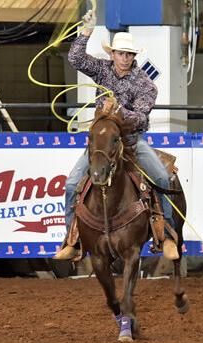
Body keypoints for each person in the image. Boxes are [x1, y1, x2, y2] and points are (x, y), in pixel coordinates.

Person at [54, 9, 178, 261]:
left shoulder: (145, 83)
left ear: (134, 56)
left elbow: (141, 117)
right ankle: (72, 240)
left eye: (129, 54)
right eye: (121, 53)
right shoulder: (102, 70)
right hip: (102, 144)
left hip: (131, 143)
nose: (125, 58)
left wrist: (119, 110)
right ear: (112, 54)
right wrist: (86, 31)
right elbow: (76, 58)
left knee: (162, 178)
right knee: (70, 185)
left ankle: (165, 235)